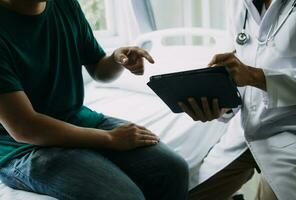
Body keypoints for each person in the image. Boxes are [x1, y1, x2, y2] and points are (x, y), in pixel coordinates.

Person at [0, 0, 189, 199]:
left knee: (173, 170)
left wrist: (117, 59)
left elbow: (99, 70)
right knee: (124, 196)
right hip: (22, 148)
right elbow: (24, 128)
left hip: (76, 119)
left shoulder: (65, 5)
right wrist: (111, 139)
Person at [181, 0, 296, 199]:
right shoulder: (238, 4)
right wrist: (223, 105)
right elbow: (237, 68)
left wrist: (253, 76)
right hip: (245, 131)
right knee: (191, 194)